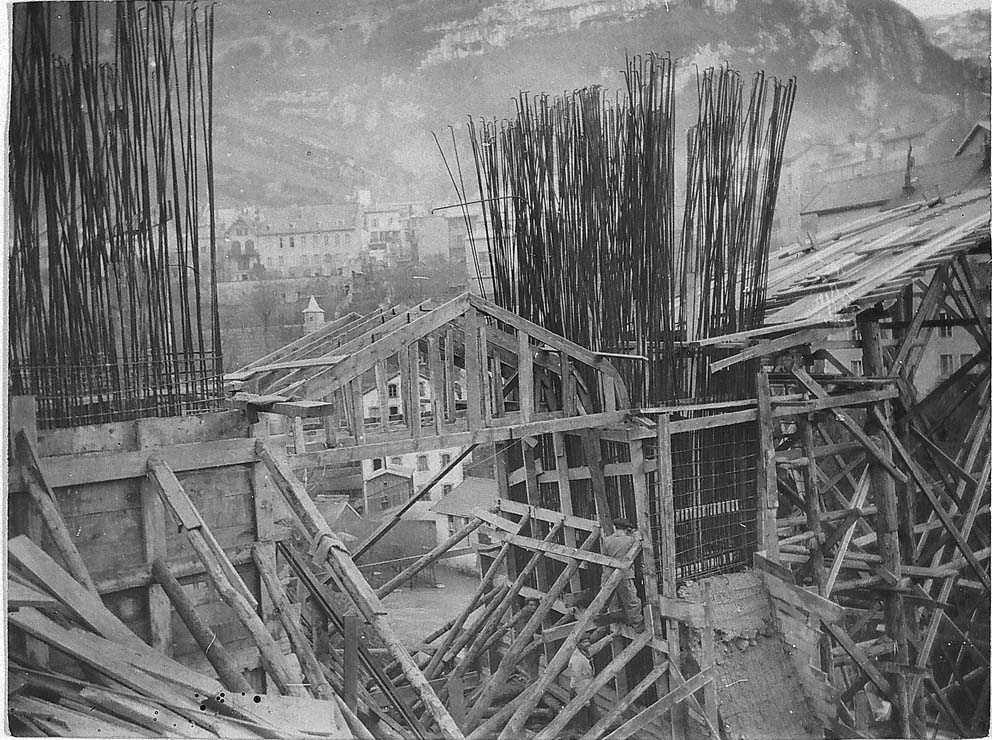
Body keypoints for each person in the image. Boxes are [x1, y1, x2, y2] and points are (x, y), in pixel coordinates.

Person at [602, 518, 645, 631]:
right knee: (631, 600)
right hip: (624, 575)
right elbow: (639, 542)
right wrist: (635, 533)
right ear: (627, 528)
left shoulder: (607, 540)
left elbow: (605, 556)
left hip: (608, 574)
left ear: (615, 527)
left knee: (604, 598)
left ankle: (598, 616)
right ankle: (637, 625)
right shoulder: (630, 540)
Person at [568, 638, 596, 729]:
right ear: (578, 644)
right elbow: (577, 680)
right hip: (579, 690)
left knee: (591, 715)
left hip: (587, 687)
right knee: (581, 715)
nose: (587, 643)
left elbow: (596, 648)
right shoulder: (577, 659)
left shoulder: (584, 652)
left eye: (588, 641)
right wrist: (584, 699)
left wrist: (609, 638)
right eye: (584, 642)